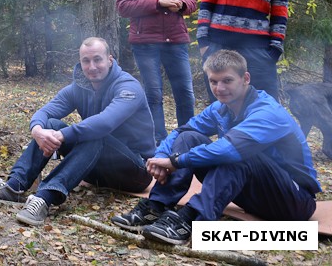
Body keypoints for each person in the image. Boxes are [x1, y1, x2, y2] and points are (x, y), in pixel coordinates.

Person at [111, 49, 319, 246]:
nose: (219, 89)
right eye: (213, 81)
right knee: (189, 137)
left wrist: (175, 162)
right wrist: (162, 156)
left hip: (294, 201)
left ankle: (192, 219)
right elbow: (182, 131)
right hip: (252, 193)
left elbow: (228, 150)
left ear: (245, 79)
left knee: (236, 153)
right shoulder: (220, 108)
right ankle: (155, 207)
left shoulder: (268, 112)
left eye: (227, 80)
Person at [0, 37, 154, 226]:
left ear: (110, 60)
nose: (92, 66)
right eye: (86, 61)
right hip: (94, 169)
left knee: (95, 134)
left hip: (135, 171)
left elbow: (105, 123)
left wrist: (63, 135)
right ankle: (14, 185)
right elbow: (46, 112)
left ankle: (45, 197)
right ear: (80, 62)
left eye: (97, 59)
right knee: (51, 123)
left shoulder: (128, 87)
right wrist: (38, 131)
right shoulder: (79, 87)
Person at [117, 0, 198, 143]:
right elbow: (123, 6)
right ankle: (158, 144)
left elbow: (192, 2)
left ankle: (187, 141)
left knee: (186, 94)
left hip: (176, 40)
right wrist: (158, 2)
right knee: (153, 95)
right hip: (145, 43)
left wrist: (181, 4)